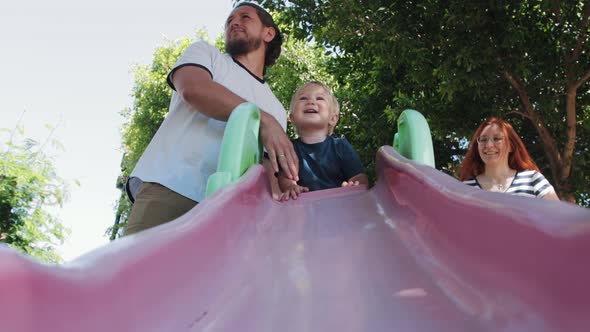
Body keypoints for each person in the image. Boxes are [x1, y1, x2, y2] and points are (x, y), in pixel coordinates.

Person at [123, 2, 299, 235]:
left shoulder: (276, 109)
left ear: (269, 32)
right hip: (171, 188)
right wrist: (262, 119)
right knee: (141, 270)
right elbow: (194, 89)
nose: (234, 22)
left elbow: (266, 169)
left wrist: (285, 194)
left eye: (245, 17)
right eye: (229, 20)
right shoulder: (206, 54)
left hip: (230, 214)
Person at [266, 81, 368, 201]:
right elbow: (285, 178)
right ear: (292, 118)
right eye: (303, 98)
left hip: (338, 206)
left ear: (333, 118)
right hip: (304, 208)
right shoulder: (290, 148)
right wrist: (290, 186)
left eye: (319, 98)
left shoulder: (340, 146)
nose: (311, 101)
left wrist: (354, 185)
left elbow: (359, 176)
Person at [459, 117, 559, 200]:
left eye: (497, 138)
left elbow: (559, 217)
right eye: (483, 140)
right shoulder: (465, 188)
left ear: (511, 146)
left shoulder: (533, 180)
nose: (489, 145)